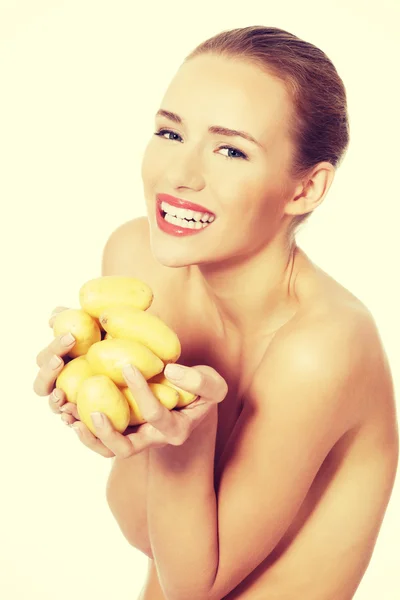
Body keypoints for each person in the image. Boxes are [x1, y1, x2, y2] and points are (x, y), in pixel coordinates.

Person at [33, 25, 399, 600]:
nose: (179, 174)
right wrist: (105, 408)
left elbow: (193, 586)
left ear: (304, 189)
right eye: (169, 132)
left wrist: (189, 436)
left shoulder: (322, 346)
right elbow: (139, 526)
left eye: (231, 150)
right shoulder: (138, 263)